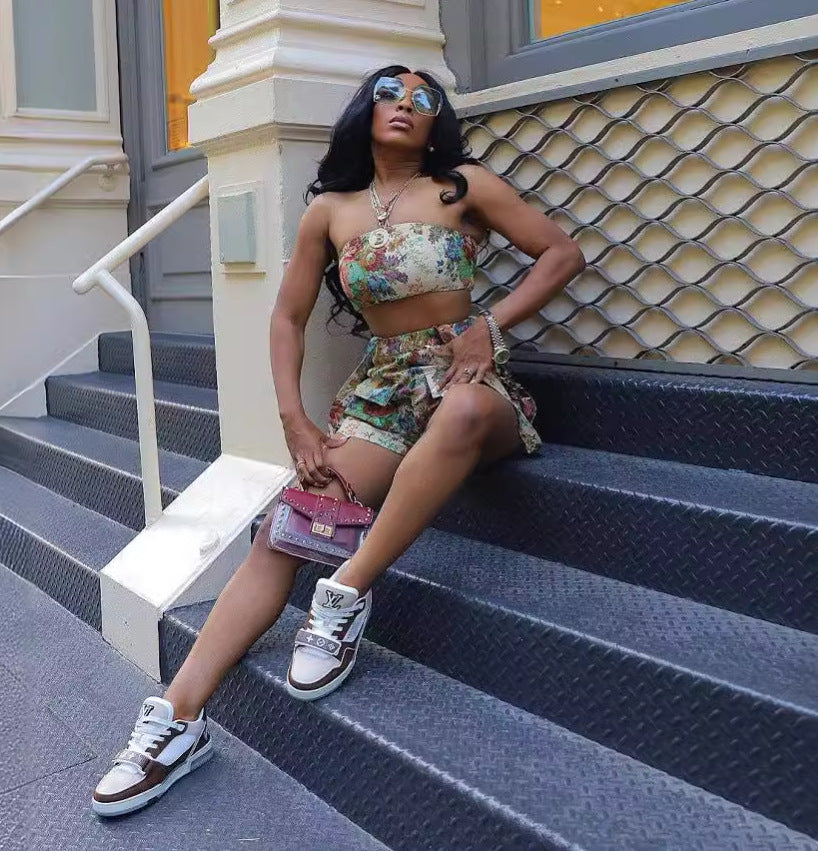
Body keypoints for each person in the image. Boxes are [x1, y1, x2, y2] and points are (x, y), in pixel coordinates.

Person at [91, 64, 585, 817]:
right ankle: (175, 720)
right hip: (383, 390)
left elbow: (560, 254)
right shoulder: (329, 210)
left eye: (424, 98)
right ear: (366, 110)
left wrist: (489, 326)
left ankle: (347, 590)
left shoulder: (464, 186)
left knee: (457, 413)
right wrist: (293, 418)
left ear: (436, 120)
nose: (406, 104)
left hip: (465, 376)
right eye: (391, 93)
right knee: (286, 527)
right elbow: (286, 317)